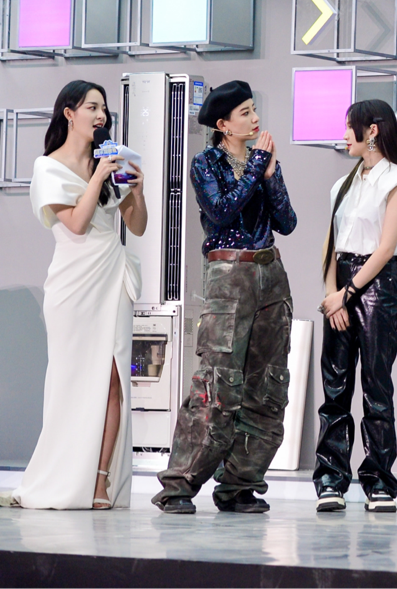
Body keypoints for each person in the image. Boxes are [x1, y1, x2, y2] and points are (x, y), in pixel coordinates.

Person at [153, 80, 298, 514]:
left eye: (254, 110)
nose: (255, 119)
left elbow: (287, 222)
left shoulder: (260, 161)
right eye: (246, 113)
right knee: (218, 384)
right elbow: (220, 211)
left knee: (268, 384)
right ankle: (179, 486)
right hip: (228, 275)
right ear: (223, 124)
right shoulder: (205, 163)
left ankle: (239, 485)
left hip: (271, 272)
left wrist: (270, 176)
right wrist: (256, 169)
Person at [8, 81, 146, 510]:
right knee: (71, 382)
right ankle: (63, 476)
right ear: (69, 113)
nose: (101, 115)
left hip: (112, 277)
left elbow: (137, 225)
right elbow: (77, 223)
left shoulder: (111, 160)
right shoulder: (48, 167)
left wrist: (137, 190)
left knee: (113, 378)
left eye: (104, 108)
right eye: (92, 107)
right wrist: (99, 176)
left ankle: (101, 481)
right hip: (73, 285)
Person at [314, 100, 397, 514]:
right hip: (341, 285)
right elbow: (330, 244)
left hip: (377, 285)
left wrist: (347, 294)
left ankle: (378, 481)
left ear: (373, 130)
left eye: (351, 126)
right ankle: (330, 479)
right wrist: (333, 297)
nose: (345, 135)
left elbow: (385, 249)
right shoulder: (341, 185)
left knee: (376, 387)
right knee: (335, 387)